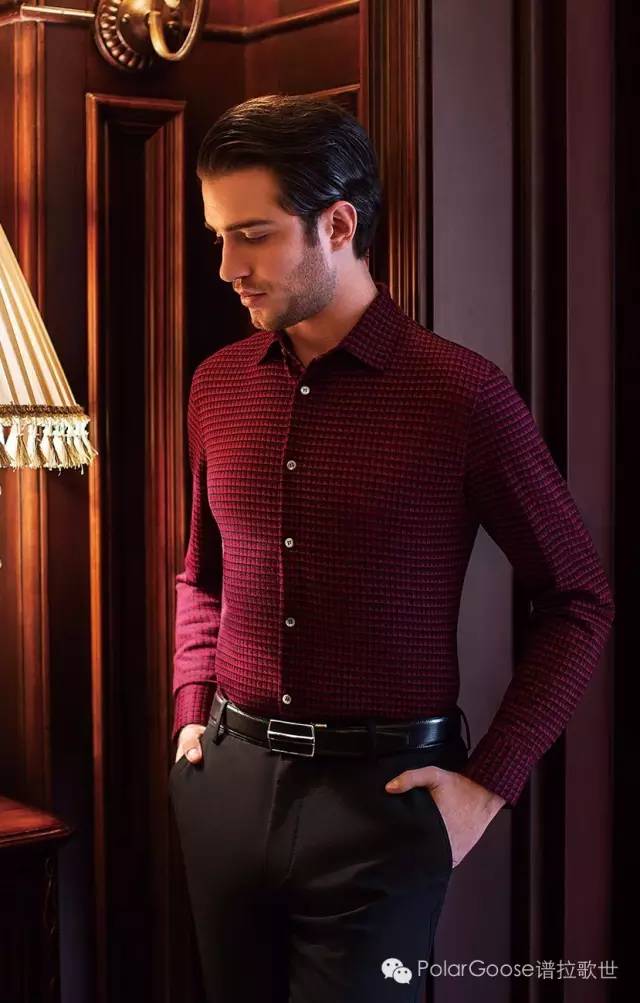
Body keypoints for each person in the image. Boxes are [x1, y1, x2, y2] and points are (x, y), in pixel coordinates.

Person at [168, 94, 615, 1002]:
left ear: (338, 226)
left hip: (383, 809)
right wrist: (188, 710)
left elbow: (580, 597)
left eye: (251, 235)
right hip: (225, 782)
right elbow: (201, 572)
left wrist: (488, 785)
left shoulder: (461, 396)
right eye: (219, 236)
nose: (227, 268)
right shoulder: (216, 386)